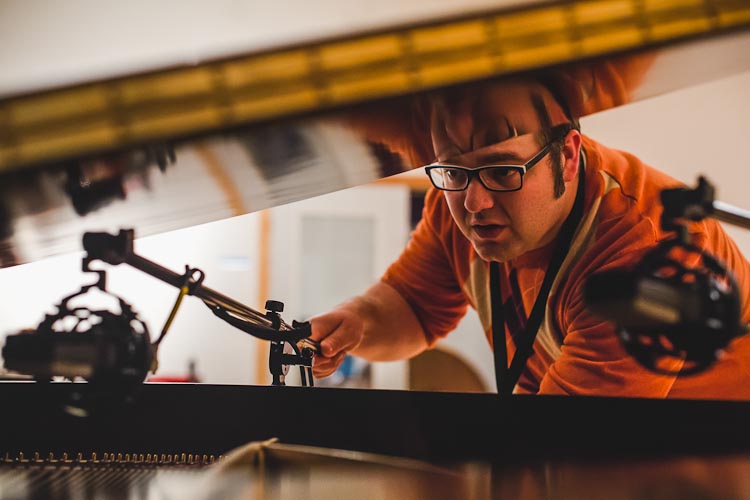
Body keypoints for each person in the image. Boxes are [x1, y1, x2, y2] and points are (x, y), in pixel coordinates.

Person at [309, 68, 750, 399]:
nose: (474, 202)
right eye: (453, 171)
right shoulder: (458, 203)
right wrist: (355, 323)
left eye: (503, 170)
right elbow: (412, 307)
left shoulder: (643, 252)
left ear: (570, 156)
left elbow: (568, 448)